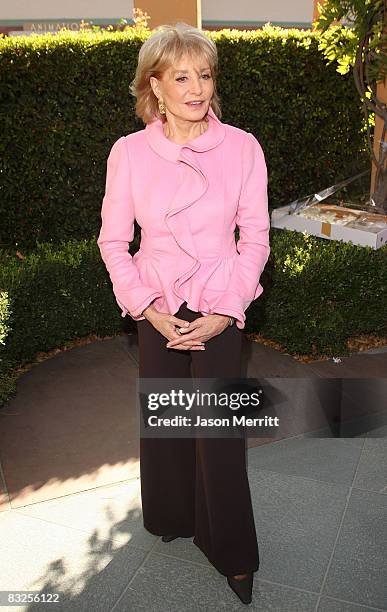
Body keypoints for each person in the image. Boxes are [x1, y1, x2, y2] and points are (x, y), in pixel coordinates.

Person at [97, 22, 270, 605]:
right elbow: (114, 243)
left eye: (206, 75)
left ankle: (235, 555)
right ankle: (171, 514)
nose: (197, 88)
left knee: (219, 434)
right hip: (157, 301)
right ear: (156, 84)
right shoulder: (129, 152)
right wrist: (145, 306)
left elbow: (258, 240)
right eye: (182, 77)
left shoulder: (243, 147)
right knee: (168, 421)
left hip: (221, 298)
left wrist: (227, 309)